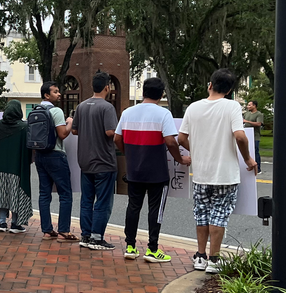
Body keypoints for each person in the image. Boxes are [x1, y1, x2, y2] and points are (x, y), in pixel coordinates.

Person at [178, 69, 257, 274]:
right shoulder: (232, 106)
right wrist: (248, 158)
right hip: (225, 174)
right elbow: (240, 136)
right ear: (230, 90)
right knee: (219, 216)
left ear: (210, 85)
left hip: (201, 173)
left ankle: (200, 256)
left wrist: (196, 150)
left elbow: (181, 138)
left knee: (201, 214)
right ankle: (214, 259)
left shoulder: (193, 108)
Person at [114, 78, 191, 263]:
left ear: (143, 93)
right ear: (162, 94)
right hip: (157, 172)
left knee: (133, 207)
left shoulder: (127, 113)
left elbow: (117, 139)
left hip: (134, 170)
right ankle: (152, 249)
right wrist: (180, 159)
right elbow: (171, 141)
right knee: (155, 210)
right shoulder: (163, 114)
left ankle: (130, 247)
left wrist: (129, 154)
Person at [72, 72, 119, 251]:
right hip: (104, 161)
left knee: (87, 199)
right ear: (107, 87)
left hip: (84, 161)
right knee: (103, 201)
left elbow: (74, 131)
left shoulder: (82, 106)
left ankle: (85, 234)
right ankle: (97, 238)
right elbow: (110, 132)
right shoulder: (107, 108)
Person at [34, 81, 77, 241]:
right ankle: (64, 230)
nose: (59, 94)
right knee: (65, 193)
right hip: (56, 154)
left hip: (40, 155)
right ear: (47, 95)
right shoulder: (56, 111)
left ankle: (47, 230)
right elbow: (63, 134)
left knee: (44, 194)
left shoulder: (36, 109)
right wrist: (70, 122)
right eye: (56, 92)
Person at [0, 100, 31, 233]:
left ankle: (2, 223)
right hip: (17, 168)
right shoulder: (24, 127)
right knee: (16, 195)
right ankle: (15, 223)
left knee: (1, 194)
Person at [243, 100, 265, 173]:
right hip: (247, 135)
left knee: (255, 152)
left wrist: (247, 121)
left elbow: (259, 124)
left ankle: (258, 168)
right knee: (246, 151)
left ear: (254, 106)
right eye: (248, 105)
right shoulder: (246, 114)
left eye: (249, 105)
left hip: (255, 136)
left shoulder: (259, 114)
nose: (248, 106)